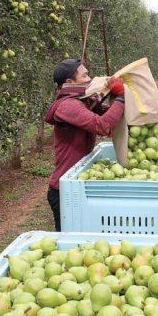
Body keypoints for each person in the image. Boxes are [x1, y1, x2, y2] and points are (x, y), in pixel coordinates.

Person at [44, 58, 125, 231]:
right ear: (69, 82)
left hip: (78, 182)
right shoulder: (68, 106)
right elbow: (103, 126)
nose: (89, 79)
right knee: (70, 243)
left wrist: (111, 94)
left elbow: (109, 115)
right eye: (85, 75)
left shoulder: (82, 101)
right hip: (63, 190)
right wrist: (121, 98)